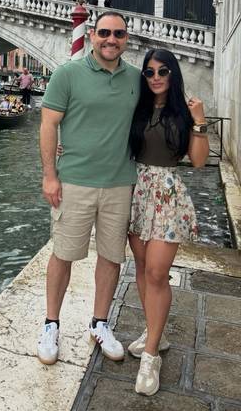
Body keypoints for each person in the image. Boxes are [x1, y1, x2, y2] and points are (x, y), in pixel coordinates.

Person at [38, 11, 140, 366]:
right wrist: (50, 175)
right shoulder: (67, 74)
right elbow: (49, 125)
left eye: (120, 34)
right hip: (75, 182)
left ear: (128, 39)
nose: (112, 40)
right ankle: (51, 324)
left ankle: (100, 323)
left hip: (120, 183)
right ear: (92, 35)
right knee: (63, 254)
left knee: (111, 257)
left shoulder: (137, 79)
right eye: (105, 33)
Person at [127, 48, 208, 396]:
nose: (156, 77)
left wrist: (200, 120)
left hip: (168, 194)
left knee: (158, 272)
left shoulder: (183, 111)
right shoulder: (137, 108)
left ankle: (151, 355)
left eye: (162, 71)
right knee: (143, 268)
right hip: (136, 191)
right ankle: (153, 332)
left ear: (173, 74)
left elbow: (200, 161)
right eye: (149, 72)